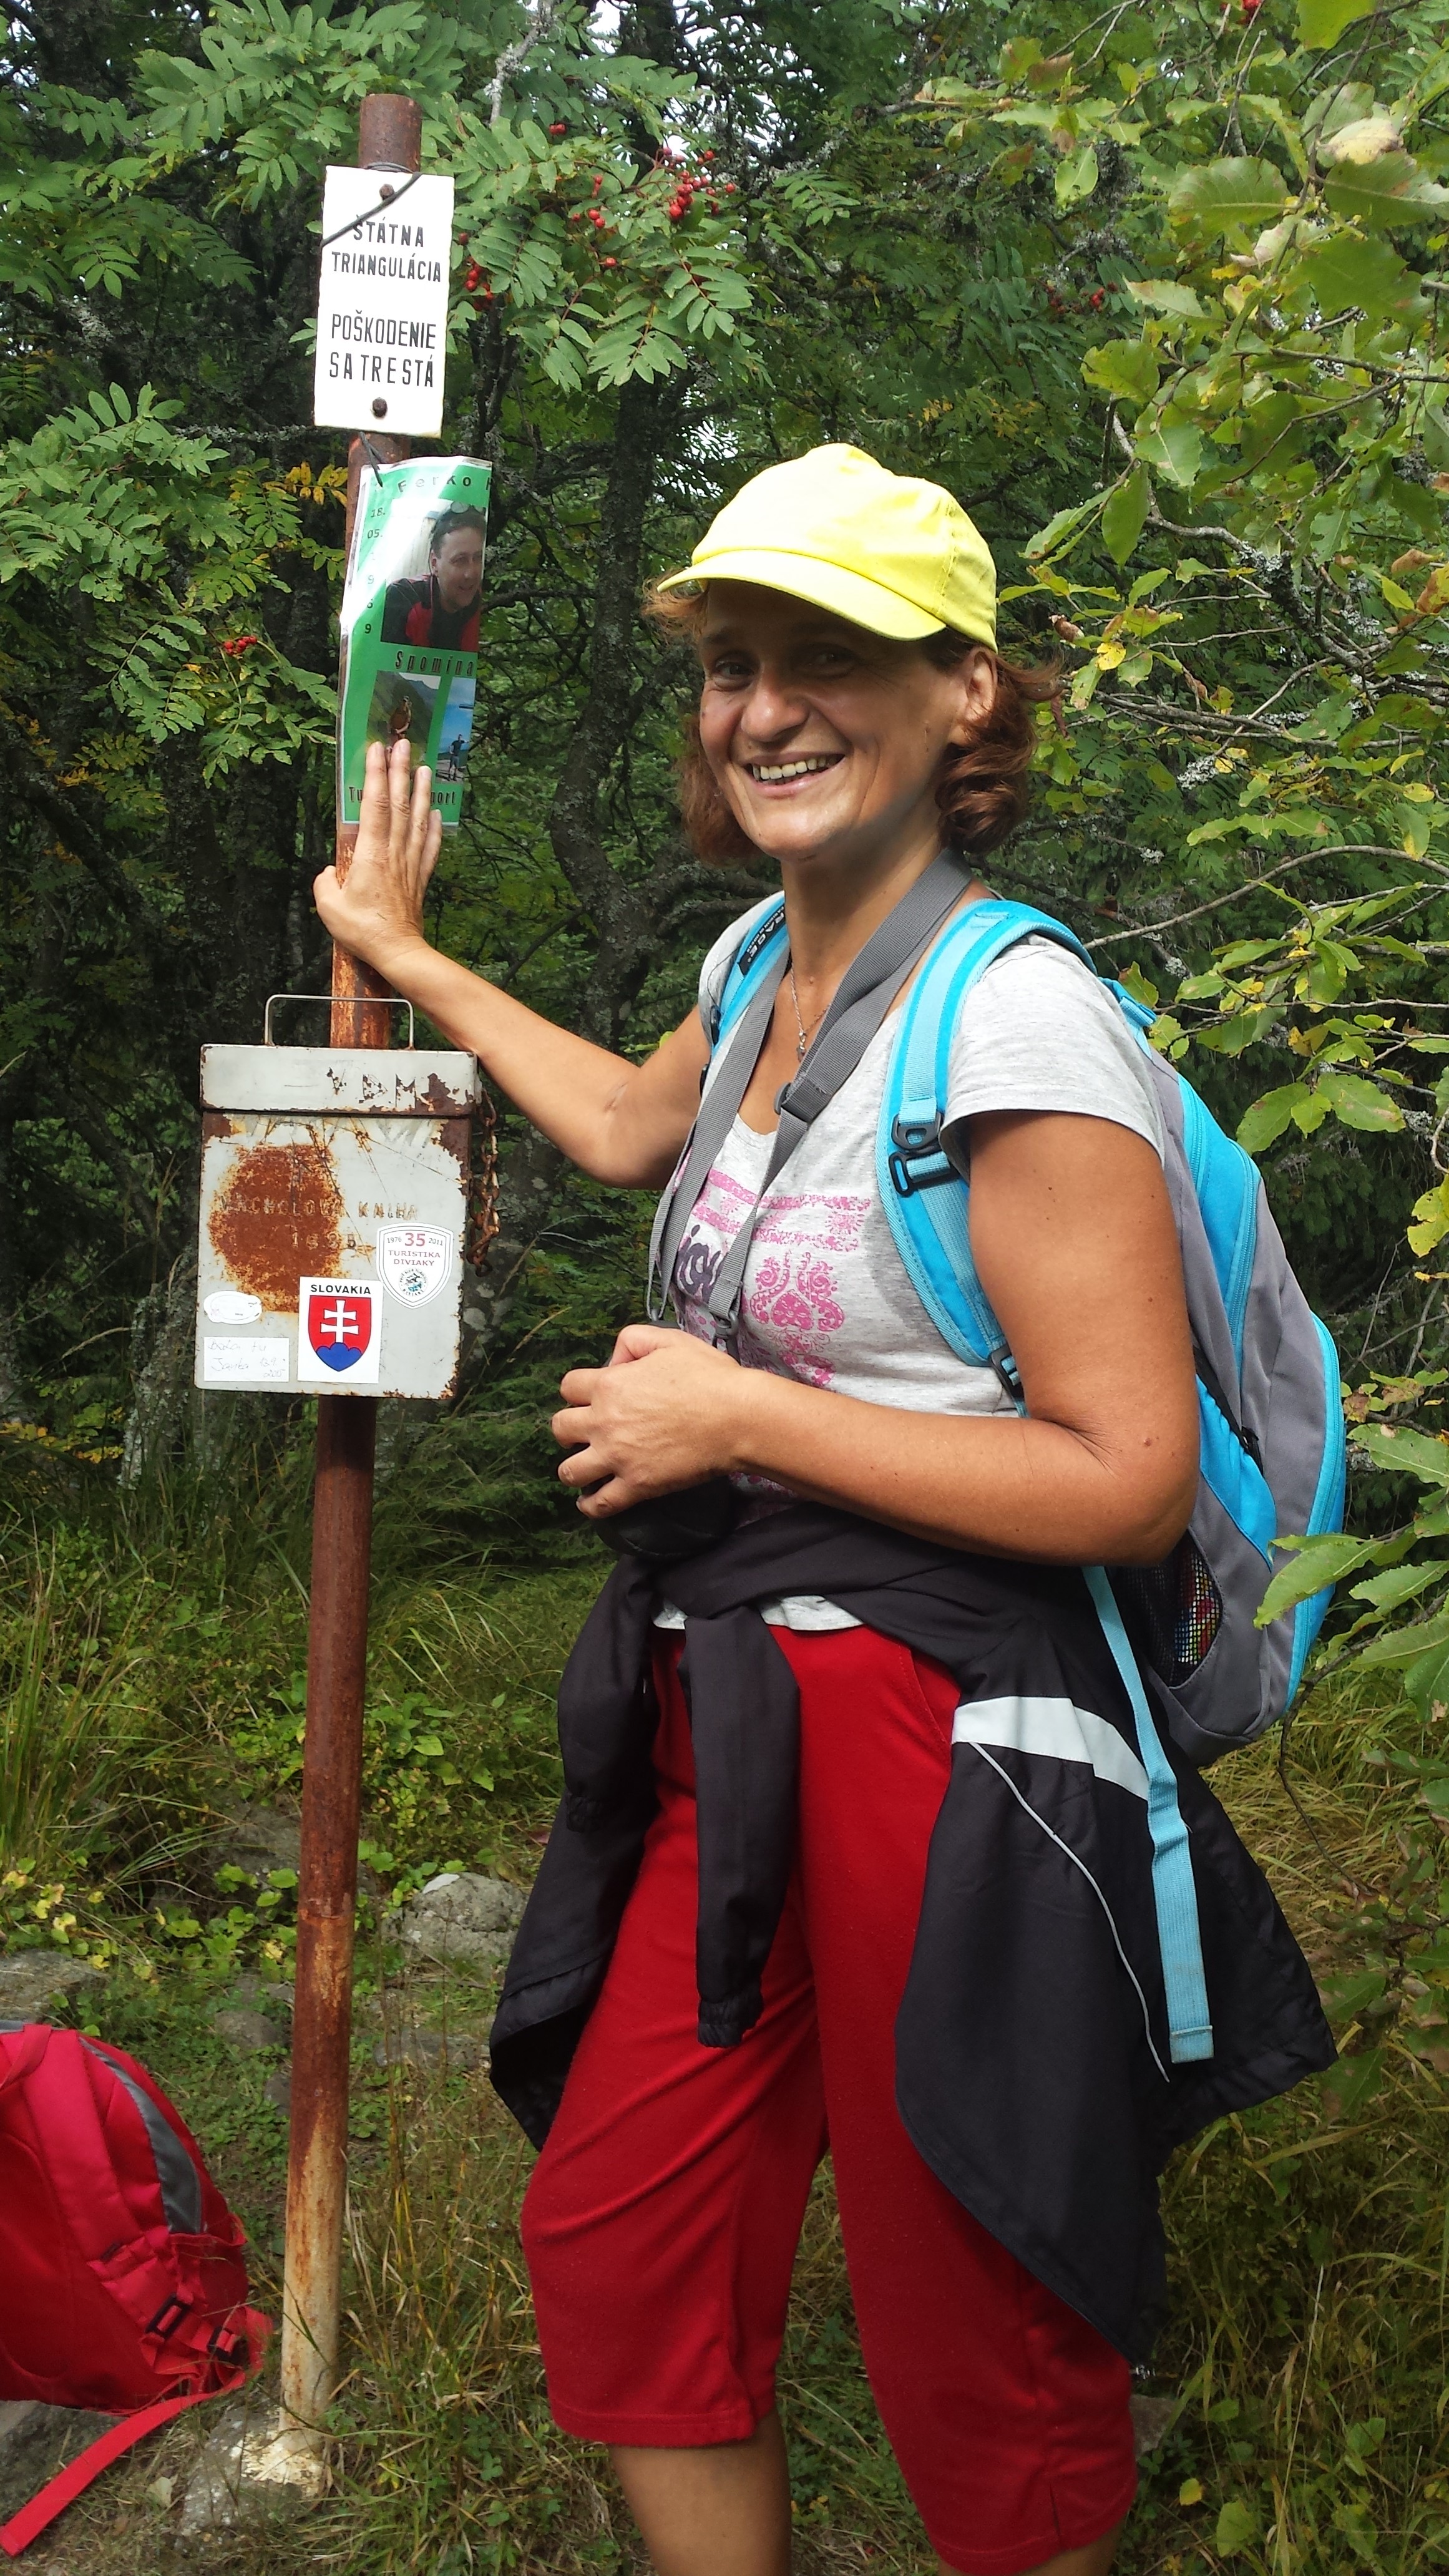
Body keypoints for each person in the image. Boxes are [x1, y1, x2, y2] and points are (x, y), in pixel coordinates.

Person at [315, 446, 1331, 2576]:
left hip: (957, 1742)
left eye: (828, 658)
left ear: (963, 693)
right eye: (732, 664)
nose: (764, 708)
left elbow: (1125, 1471)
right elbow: (626, 1123)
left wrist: (735, 1418)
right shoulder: (757, 960)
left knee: (976, 2298)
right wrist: (403, 951)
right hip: (738, 1714)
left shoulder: (1017, 1024)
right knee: (624, 2237)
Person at [380, 506, 485, 650]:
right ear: (434, 564)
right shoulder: (402, 599)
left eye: (478, 558)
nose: (471, 573)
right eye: (460, 560)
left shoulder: (477, 600)